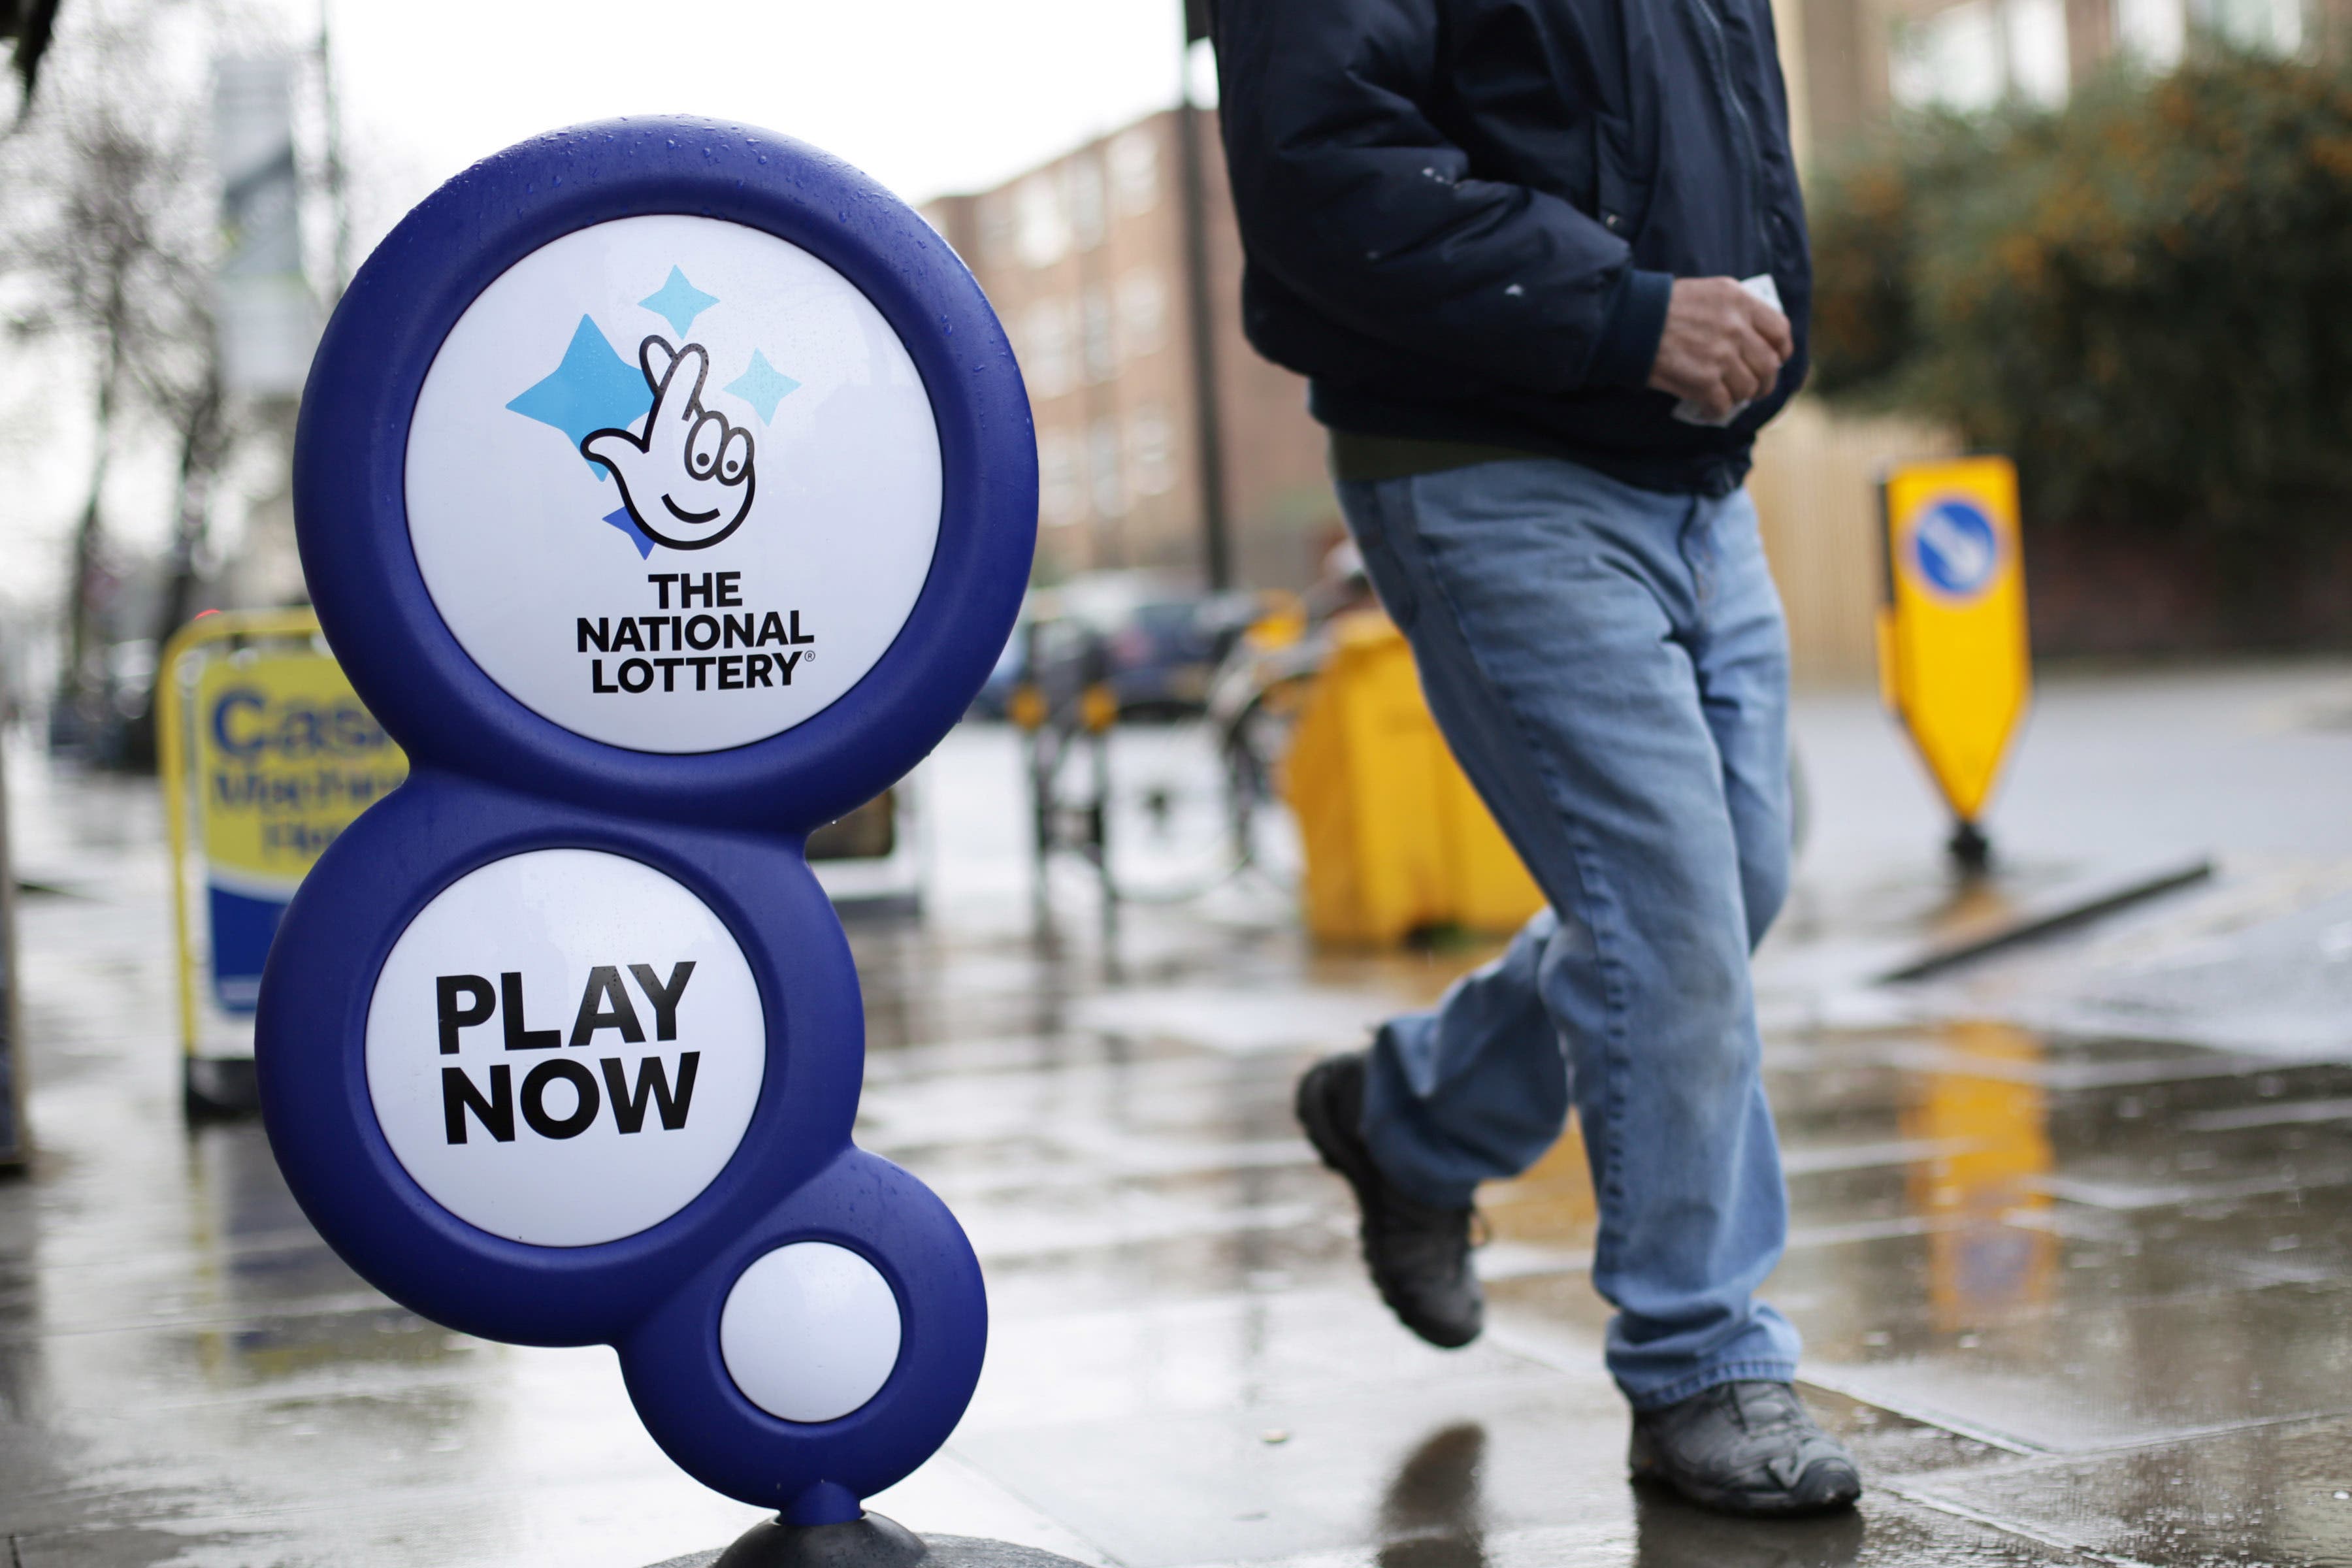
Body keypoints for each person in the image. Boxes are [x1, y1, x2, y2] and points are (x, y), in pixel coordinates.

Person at [1206, 0, 1864, 1518]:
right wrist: (1636, 316)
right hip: (1487, 464)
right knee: (1671, 912)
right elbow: (1321, 165)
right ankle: (1702, 1361)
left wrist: (1741, 341)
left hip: (1693, 465)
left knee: (1737, 878)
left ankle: (1412, 1119)